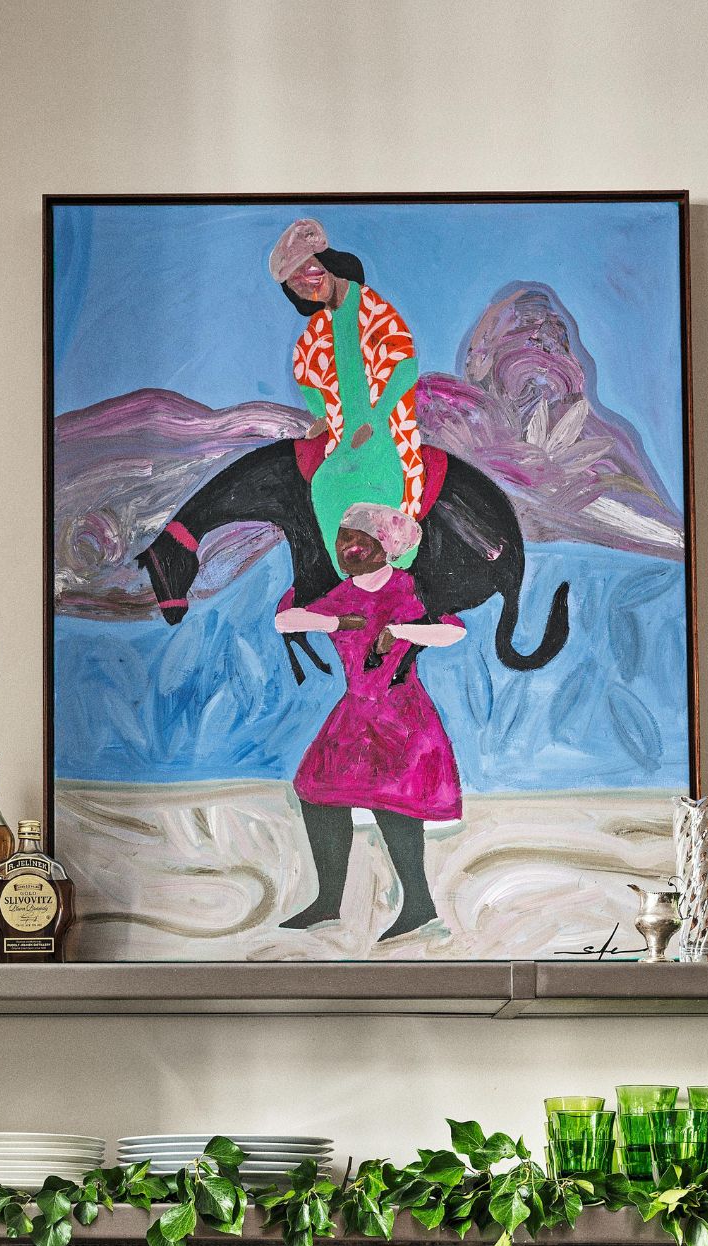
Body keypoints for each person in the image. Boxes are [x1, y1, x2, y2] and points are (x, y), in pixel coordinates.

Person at [274, 501, 466, 944]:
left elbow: (453, 630)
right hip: (357, 711)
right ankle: (328, 901)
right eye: (344, 539)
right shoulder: (345, 593)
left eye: (362, 541)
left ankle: (418, 904)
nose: (349, 549)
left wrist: (398, 631)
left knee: (391, 803)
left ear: (387, 547)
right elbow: (286, 620)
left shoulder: (408, 588)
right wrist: (339, 620)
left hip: (401, 713)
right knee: (317, 792)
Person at [268, 216, 424, 575]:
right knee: (324, 484)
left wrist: (375, 416)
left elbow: (405, 367)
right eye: (297, 286)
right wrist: (321, 414)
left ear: (326, 264)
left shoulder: (374, 308)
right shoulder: (317, 328)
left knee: (377, 498)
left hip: (384, 432)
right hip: (342, 438)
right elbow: (304, 373)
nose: (308, 288)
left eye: (310, 274)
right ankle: (347, 581)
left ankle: (389, 577)